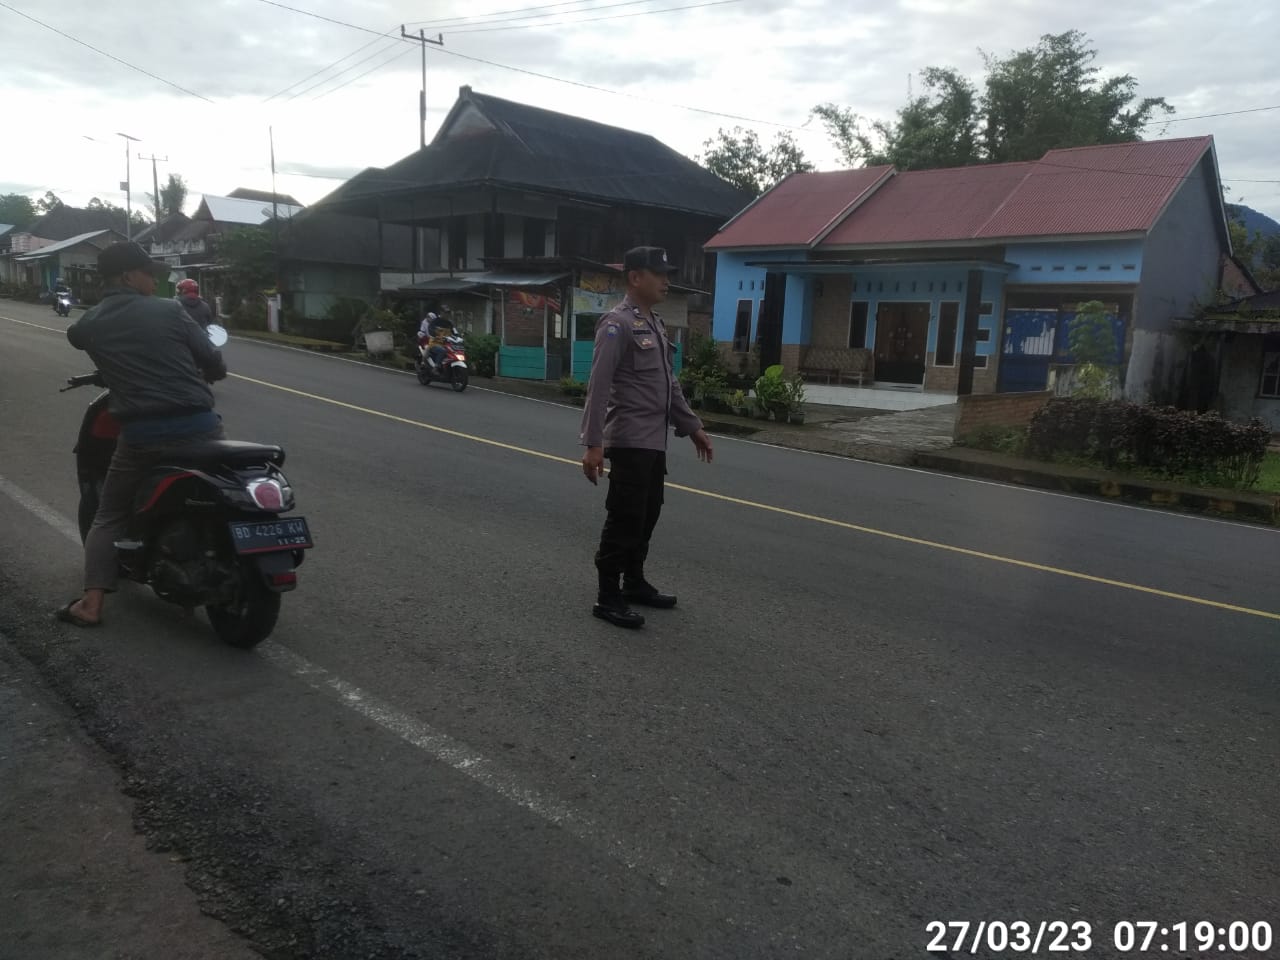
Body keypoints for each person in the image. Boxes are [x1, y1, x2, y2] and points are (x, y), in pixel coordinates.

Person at [56, 242, 228, 628]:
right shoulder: (171, 310)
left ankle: (91, 605)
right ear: (128, 276)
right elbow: (212, 360)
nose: (154, 281)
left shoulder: (90, 323)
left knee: (109, 514)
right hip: (202, 428)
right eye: (149, 274)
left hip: (143, 436)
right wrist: (211, 371)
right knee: (220, 485)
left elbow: (77, 335)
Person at [579, 246, 713, 629]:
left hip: (654, 442)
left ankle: (634, 583)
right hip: (629, 440)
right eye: (659, 274)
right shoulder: (616, 325)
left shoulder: (655, 324)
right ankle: (608, 595)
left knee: (647, 514)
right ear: (635, 277)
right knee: (625, 517)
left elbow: (669, 385)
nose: (666, 281)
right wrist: (593, 444)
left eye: (667, 273)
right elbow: (598, 387)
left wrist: (693, 427)